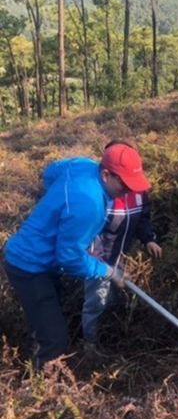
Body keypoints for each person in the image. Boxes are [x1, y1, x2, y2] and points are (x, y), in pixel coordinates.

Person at [3, 144, 151, 368]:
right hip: (29, 266)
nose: (128, 191)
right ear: (106, 174)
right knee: (55, 341)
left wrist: (56, 205)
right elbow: (69, 258)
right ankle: (35, 386)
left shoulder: (83, 164)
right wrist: (109, 272)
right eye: (124, 184)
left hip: (42, 261)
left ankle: (36, 339)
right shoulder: (89, 205)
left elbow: (50, 171)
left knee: (48, 317)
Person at [82, 140, 162, 352]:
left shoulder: (139, 191)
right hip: (97, 261)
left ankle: (114, 332)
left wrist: (149, 239)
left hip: (122, 257)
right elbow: (90, 234)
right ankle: (90, 343)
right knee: (96, 302)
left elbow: (143, 217)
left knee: (116, 298)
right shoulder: (100, 197)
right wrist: (102, 265)